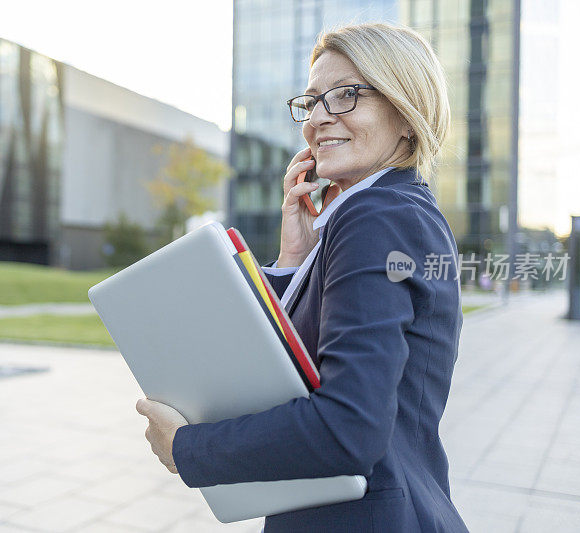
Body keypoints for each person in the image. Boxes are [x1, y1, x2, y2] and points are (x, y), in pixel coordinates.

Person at [136, 22, 469, 532]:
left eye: (345, 96)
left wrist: (188, 449)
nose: (317, 119)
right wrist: (294, 255)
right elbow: (294, 370)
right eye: (311, 101)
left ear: (406, 113)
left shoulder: (376, 215)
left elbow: (348, 427)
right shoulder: (389, 211)